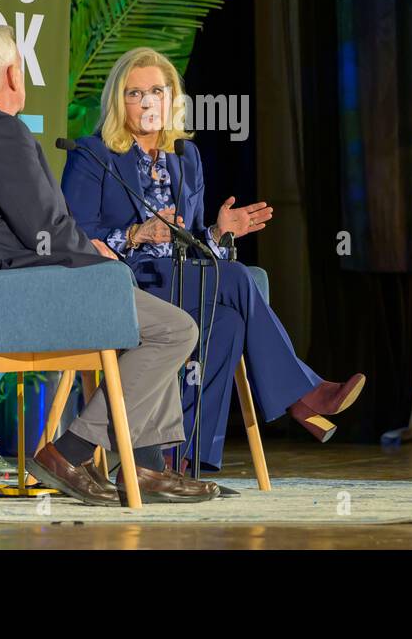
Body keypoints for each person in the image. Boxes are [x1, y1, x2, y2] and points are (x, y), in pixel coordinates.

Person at [0, 26, 218, 506]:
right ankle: (70, 450)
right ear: (13, 73)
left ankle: (147, 466)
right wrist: (97, 255)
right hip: (20, 299)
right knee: (175, 329)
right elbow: (49, 232)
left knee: (150, 316)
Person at [61, 47, 365, 473]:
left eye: (156, 91)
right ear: (117, 100)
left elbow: (189, 243)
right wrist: (135, 233)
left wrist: (219, 233)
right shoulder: (93, 154)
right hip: (127, 284)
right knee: (238, 280)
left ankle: (184, 463)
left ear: (172, 99)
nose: (147, 102)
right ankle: (303, 395)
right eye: (134, 93)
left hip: (180, 278)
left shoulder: (187, 157)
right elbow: (74, 238)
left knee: (228, 323)